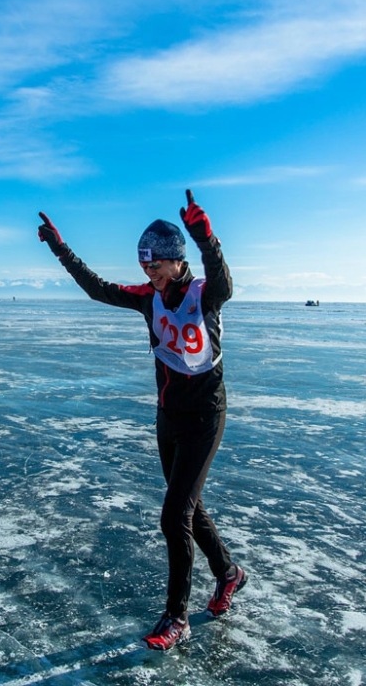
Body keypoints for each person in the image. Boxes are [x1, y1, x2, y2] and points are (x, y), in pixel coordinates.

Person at [38, 190, 245, 651]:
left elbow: (224, 285)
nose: (146, 272)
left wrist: (206, 239)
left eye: (154, 264)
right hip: (168, 417)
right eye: (143, 264)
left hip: (206, 416)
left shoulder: (201, 294)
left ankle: (177, 618)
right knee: (189, 508)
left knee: (175, 518)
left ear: (175, 261)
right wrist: (59, 248)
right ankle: (229, 573)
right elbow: (96, 287)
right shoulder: (147, 298)